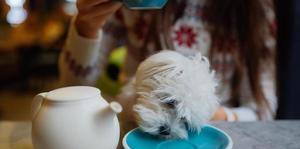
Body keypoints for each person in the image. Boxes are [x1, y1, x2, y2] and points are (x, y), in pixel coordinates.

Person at [59, 0, 277, 121]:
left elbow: (262, 111)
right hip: (135, 136)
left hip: (215, 142)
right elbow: (73, 89)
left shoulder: (254, 10)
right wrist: (86, 26)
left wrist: (207, 115)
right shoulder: (130, 8)